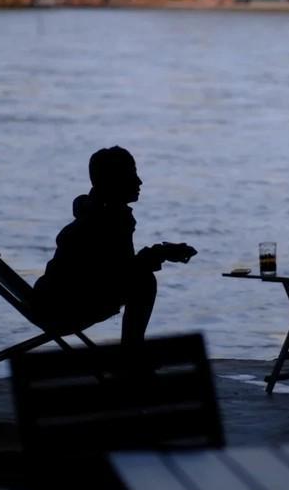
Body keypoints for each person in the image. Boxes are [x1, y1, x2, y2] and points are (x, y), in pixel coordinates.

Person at [32, 146, 197, 348]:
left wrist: (158, 254)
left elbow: (115, 271)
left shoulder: (96, 213)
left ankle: (131, 355)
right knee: (144, 282)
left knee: (141, 279)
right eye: (132, 175)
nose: (139, 182)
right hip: (65, 309)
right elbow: (119, 274)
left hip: (50, 301)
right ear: (114, 182)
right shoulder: (108, 221)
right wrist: (160, 253)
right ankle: (130, 356)